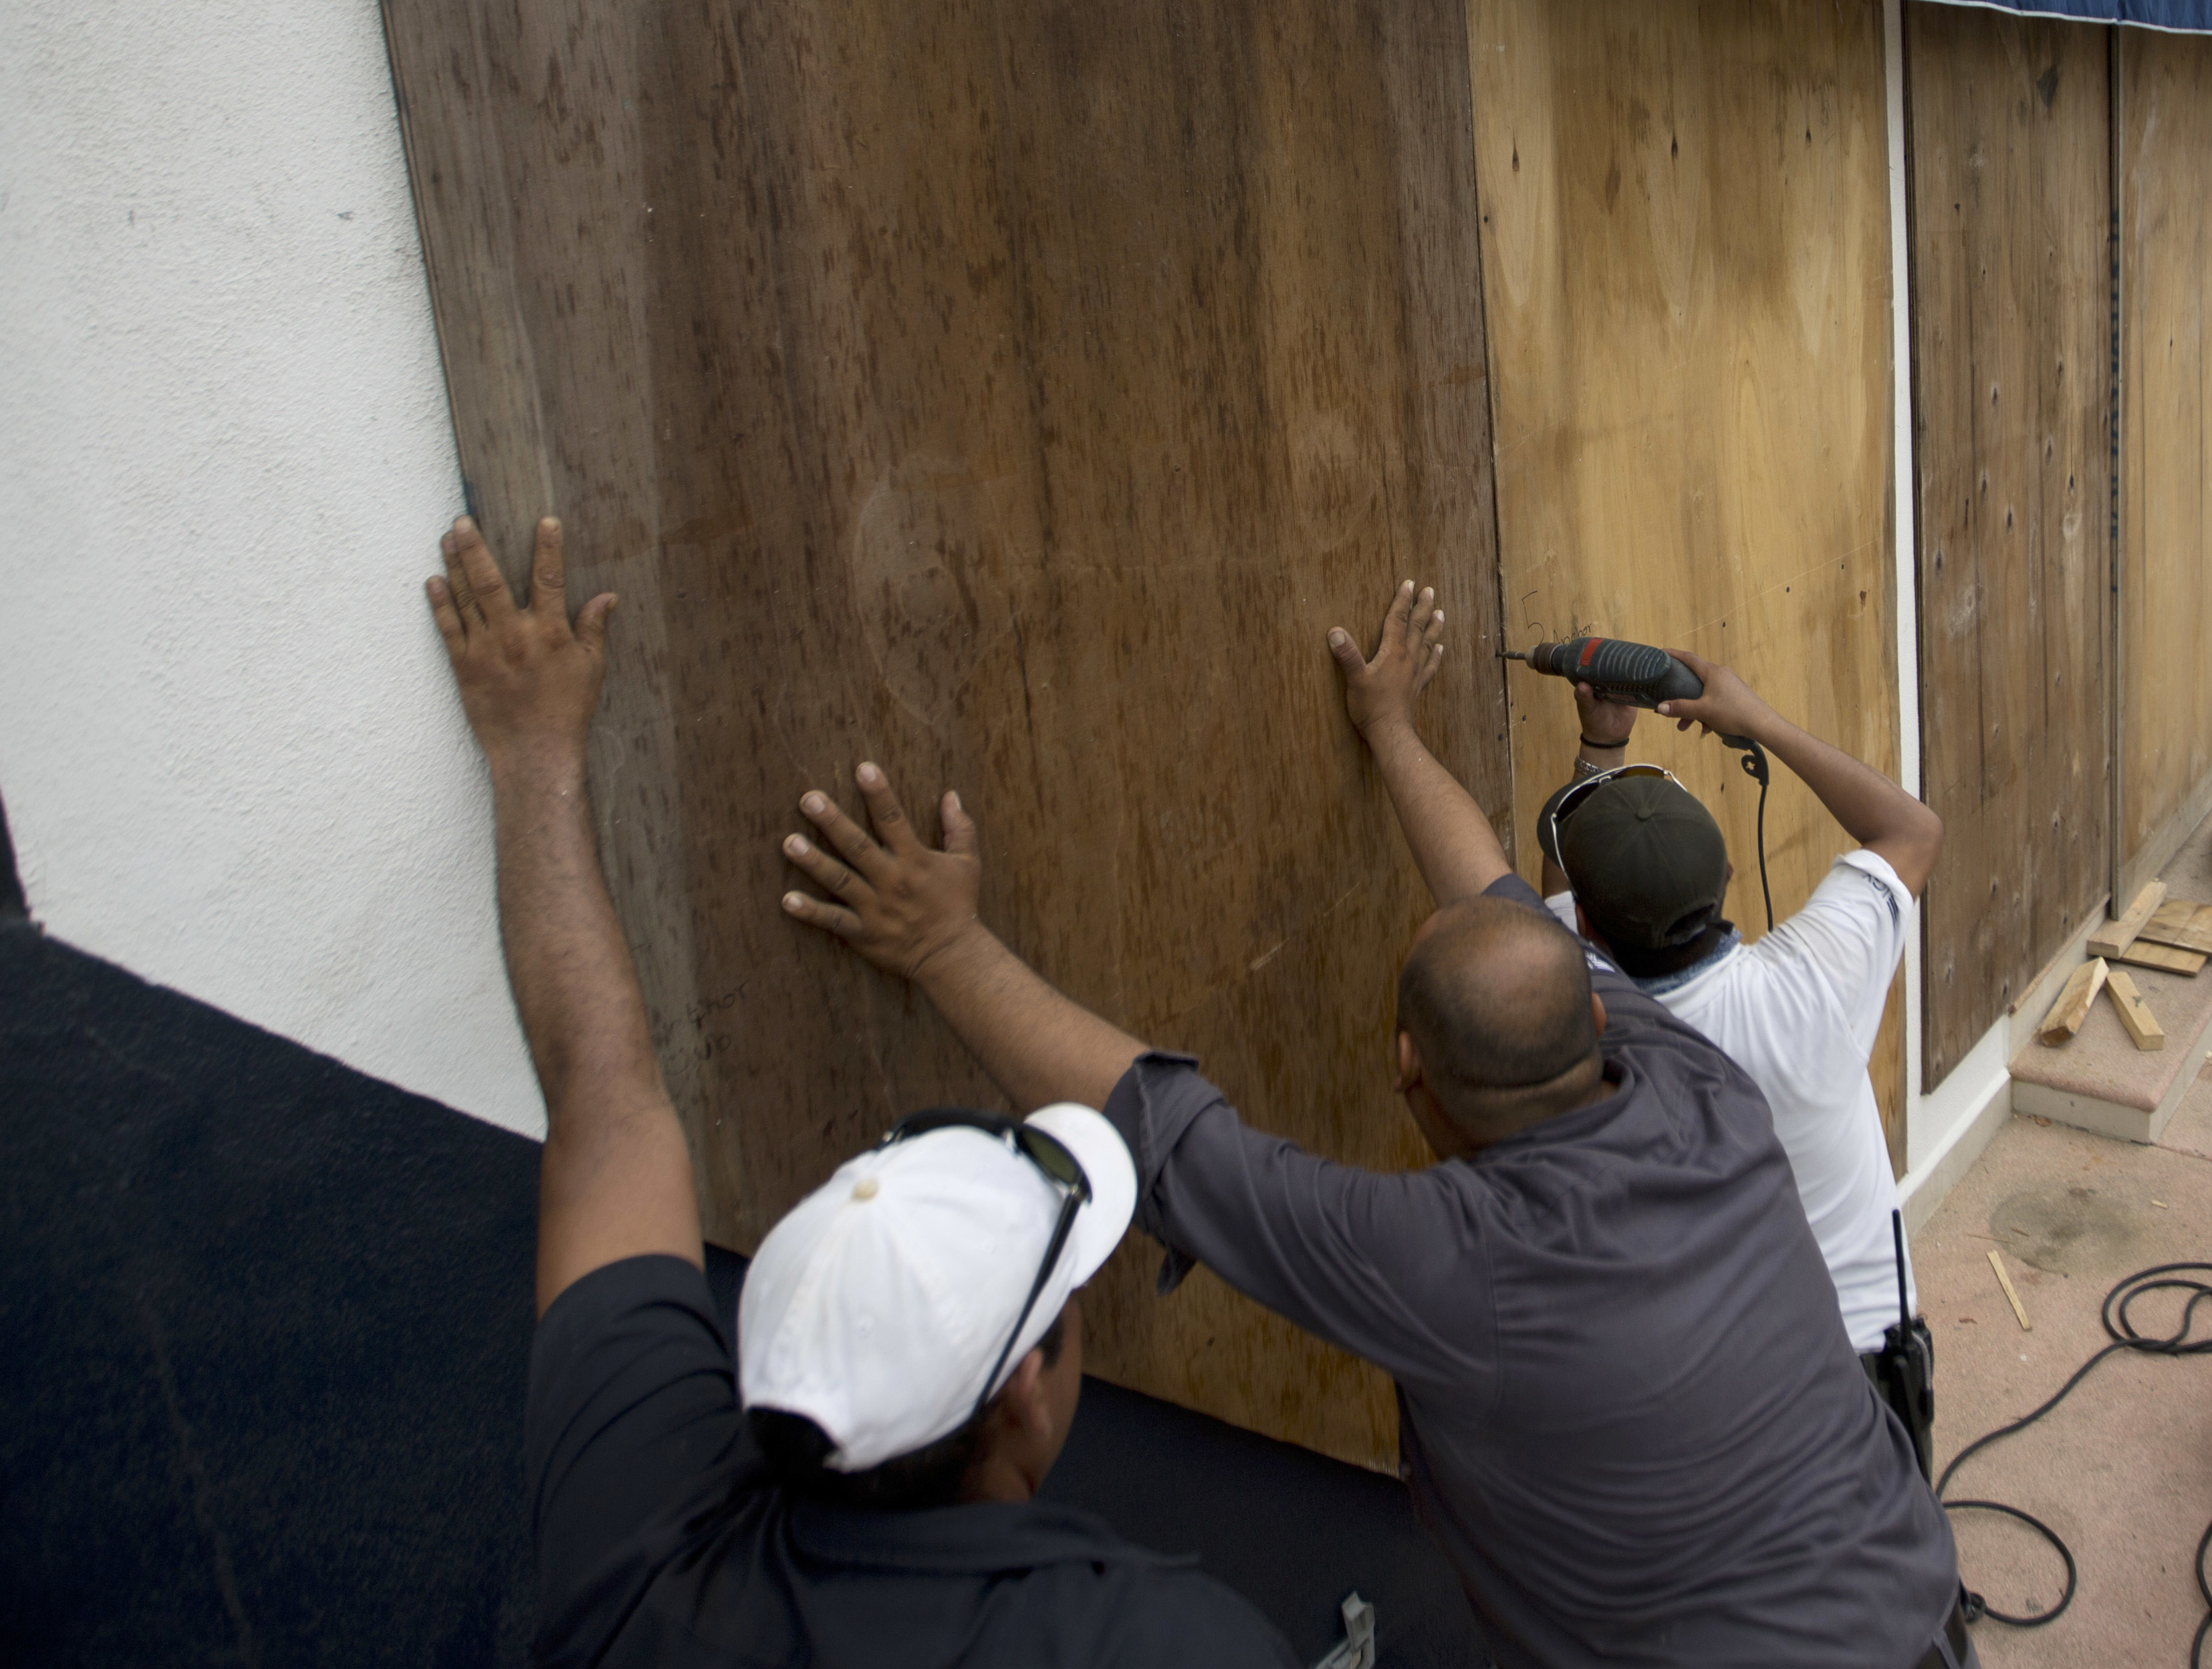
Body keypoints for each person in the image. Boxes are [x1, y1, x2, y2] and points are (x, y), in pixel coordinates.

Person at [775, 579, 1969, 1669]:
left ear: (1409, 1070)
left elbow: (1163, 1126)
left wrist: (941, 944)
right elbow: (1490, 898)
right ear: (1590, 1006)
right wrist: (1390, 727)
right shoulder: (1698, 1091)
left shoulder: (1452, 1262)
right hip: (1915, 1619)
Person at [422, 516, 1296, 1669]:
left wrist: (533, 763)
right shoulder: (1169, 1645)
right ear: (1024, 1394)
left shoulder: (637, 1557)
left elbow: (604, 1109)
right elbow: (606, 1110)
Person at [1464, 639, 1941, 1453]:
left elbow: (1554, 896)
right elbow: (1911, 829)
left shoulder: (1574, 1008)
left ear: (1584, 929)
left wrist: (1601, 750)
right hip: (1861, 1381)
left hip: (1705, 1399)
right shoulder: (1816, 987)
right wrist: (1756, 719)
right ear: (1725, 870)